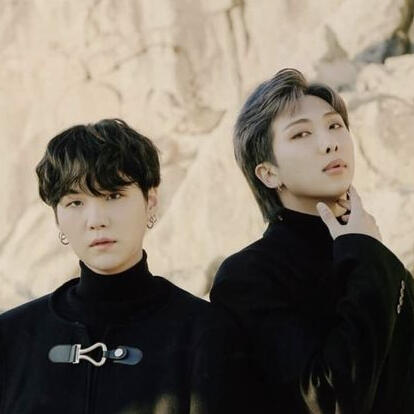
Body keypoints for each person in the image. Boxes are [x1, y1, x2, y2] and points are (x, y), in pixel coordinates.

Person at [0, 119, 243, 414]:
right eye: (75, 203)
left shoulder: (205, 333)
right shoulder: (11, 337)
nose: (96, 220)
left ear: (150, 202)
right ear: (57, 218)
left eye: (113, 196)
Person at [210, 68, 414, 413]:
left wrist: (367, 254)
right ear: (268, 173)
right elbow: (327, 398)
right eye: (301, 133)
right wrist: (366, 258)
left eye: (335, 125)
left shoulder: (378, 260)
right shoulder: (247, 276)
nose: (329, 143)